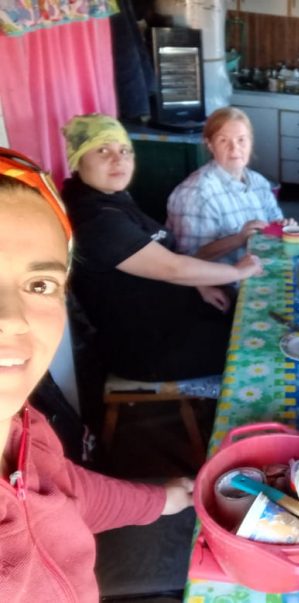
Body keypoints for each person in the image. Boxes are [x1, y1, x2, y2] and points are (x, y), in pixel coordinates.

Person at [0, 148, 194, 602]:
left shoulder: (27, 428)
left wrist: (160, 499)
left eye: (39, 284)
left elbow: (67, 490)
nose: (13, 319)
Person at [60, 114, 262, 381]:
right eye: (102, 150)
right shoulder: (95, 219)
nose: (118, 159)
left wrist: (198, 285)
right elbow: (172, 267)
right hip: (146, 348)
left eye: (124, 150)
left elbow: (156, 257)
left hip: (167, 319)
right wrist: (239, 272)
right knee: (258, 344)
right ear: (78, 161)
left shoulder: (109, 198)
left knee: (250, 319)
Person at [167, 107, 295, 265]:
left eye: (241, 139)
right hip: (222, 285)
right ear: (210, 145)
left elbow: (274, 227)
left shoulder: (259, 182)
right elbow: (187, 262)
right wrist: (239, 239)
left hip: (258, 273)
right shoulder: (196, 194)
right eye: (223, 140)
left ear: (250, 141)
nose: (234, 148)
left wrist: (283, 228)